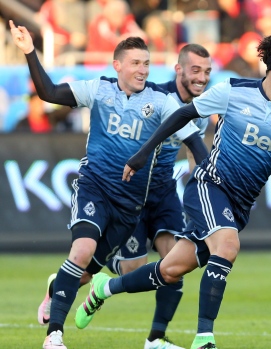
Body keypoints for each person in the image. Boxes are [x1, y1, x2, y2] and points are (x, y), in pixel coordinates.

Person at [73, 28, 271, 349]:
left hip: (240, 204)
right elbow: (183, 114)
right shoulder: (232, 91)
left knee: (170, 270)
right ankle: (204, 338)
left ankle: (104, 289)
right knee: (228, 246)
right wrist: (143, 152)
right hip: (208, 185)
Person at [9, 21, 209, 349]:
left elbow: (196, 145)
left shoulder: (162, 103)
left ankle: (65, 289)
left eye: (146, 63)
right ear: (117, 65)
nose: (142, 69)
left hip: (131, 205)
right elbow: (48, 92)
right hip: (95, 187)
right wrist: (30, 51)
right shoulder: (99, 89)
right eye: (135, 63)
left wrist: (211, 182)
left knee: (90, 272)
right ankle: (54, 336)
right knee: (82, 250)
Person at [105, 43, 212, 349]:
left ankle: (156, 338)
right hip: (132, 192)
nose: (202, 78)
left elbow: (194, 155)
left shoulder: (200, 110)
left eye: (206, 72)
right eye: (195, 71)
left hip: (165, 193)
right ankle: (102, 277)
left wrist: (200, 189)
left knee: (174, 262)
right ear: (178, 69)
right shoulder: (153, 98)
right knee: (134, 271)